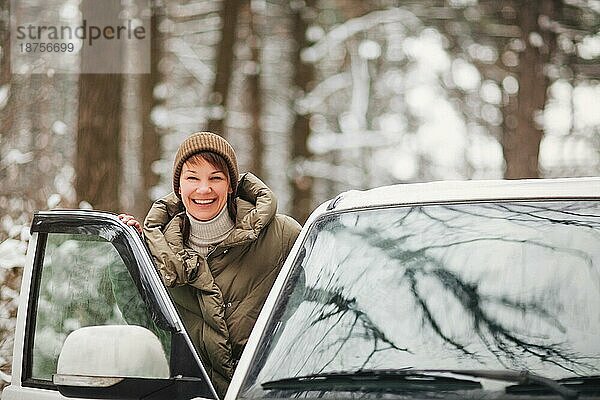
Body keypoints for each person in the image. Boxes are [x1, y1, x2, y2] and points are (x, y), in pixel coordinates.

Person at [119, 131, 301, 397]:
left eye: (215, 178)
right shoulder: (157, 254)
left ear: (230, 185)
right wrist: (127, 251)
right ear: (178, 188)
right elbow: (146, 325)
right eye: (192, 178)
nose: (204, 189)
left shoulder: (282, 235)